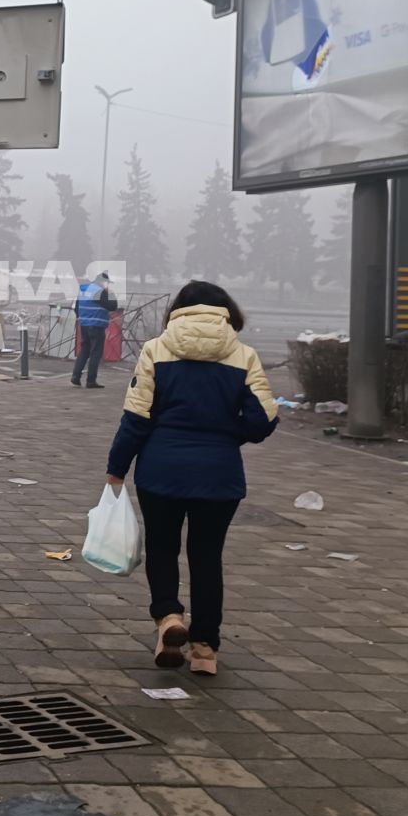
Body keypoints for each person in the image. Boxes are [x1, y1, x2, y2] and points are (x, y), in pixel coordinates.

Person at [103, 280, 278, 676]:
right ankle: (204, 650)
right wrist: (225, 435)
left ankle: (168, 618)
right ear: (226, 311)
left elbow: (136, 418)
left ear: (178, 311)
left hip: (161, 470)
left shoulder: (156, 349)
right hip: (218, 475)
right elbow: (262, 420)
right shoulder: (243, 355)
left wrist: (117, 468)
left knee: (163, 548)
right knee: (206, 557)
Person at [71, 271, 118, 388]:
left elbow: (77, 308)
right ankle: (91, 381)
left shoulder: (83, 290)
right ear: (102, 282)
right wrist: (111, 293)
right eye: (107, 283)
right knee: (96, 353)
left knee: (84, 350)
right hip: (96, 325)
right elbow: (113, 306)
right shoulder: (99, 291)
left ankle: (75, 376)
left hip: (84, 325)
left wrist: (82, 319)